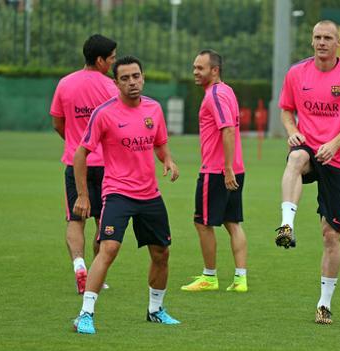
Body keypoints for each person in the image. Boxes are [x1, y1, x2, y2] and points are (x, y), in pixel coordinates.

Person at [71, 56, 181, 334]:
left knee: (162, 252)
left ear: (143, 77)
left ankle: (156, 310)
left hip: (150, 194)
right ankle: (85, 314)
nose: (132, 82)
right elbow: (80, 154)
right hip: (118, 192)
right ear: (116, 82)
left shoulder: (154, 109)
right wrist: (83, 195)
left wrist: (167, 160)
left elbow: (160, 144)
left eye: (136, 76)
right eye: (125, 78)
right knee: (109, 249)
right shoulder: (104, 113)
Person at [275, 20, 340, 325]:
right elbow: (286, 109)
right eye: (317, 37)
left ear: (338, 42)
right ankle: (286, 225)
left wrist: (335, 143)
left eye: (328, 37)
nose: (321, 42)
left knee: (331, 235)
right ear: (311, 41)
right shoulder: (296, 72)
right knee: (295, 160)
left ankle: (324, 304)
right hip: (307, 147)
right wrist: (291, 131)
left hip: (336, 157)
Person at [49, 34, 117, 294]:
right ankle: (97, 275)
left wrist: (76, 145)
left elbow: (57, 122)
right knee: (104, 222)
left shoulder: (65, 84)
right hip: (107, 167)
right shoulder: (111, 87)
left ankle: (80, 267)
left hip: (76, 164)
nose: (112, 63)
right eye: (110, 58)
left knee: (76, 219)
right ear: (100, 59)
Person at [181, 49, 248, 293]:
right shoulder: (227, 91)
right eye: (194, 67)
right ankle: (241, 279)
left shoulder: (215, 96)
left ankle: (209, 277)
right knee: (233, 223)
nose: (195, 72)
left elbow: (227, 130)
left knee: (202, 222)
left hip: (217, 170)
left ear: (215, 70)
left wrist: (226, 168)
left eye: (200, 68)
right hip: (234, 168)